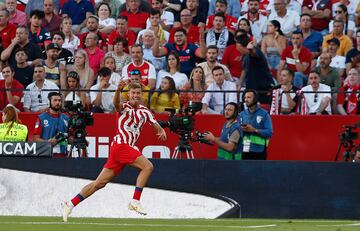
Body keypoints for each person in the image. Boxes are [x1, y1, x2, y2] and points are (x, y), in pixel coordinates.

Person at [62, 82, 167, 222]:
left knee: (99, 183)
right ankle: (135, 201)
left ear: (142, 95)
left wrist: (161, 131)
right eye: (133, 93)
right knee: (148, 167)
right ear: (128, 94)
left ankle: (70, 204)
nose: (135, 95)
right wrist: (118, 90)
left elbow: (156, 126)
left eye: (138, 93)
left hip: (123, 148)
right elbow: (116, 104)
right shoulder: (124, 106)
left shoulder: (145, 111)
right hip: (121, 145)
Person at [236, 33, 274, 104]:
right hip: (251, 88)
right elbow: (244, 70)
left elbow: (254, 54)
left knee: (264, 109)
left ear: (240, 46)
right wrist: (239, 85)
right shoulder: (244, 56)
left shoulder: (256, 50)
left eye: (237, 45)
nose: (236, 48)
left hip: (263, 88)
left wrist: (250, 49)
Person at [238, 89, 273, 160]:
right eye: (245, 97)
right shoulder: (241, 114)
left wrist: (254, 130)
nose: (246, 100)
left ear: (255, 99)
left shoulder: (264, 114)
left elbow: (269, 132)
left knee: (259, 171)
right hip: (245, 149)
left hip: (259, 150)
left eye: (249, 97)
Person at [33, 92, 70, 157]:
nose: (58, 103)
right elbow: (35, 139)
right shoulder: (41, 118)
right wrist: (48, 142)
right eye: (55, 100)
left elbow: (69, 137)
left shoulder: (66, 118)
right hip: (47, 155)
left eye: (59, 100)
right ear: (49, 102)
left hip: (63, 156)